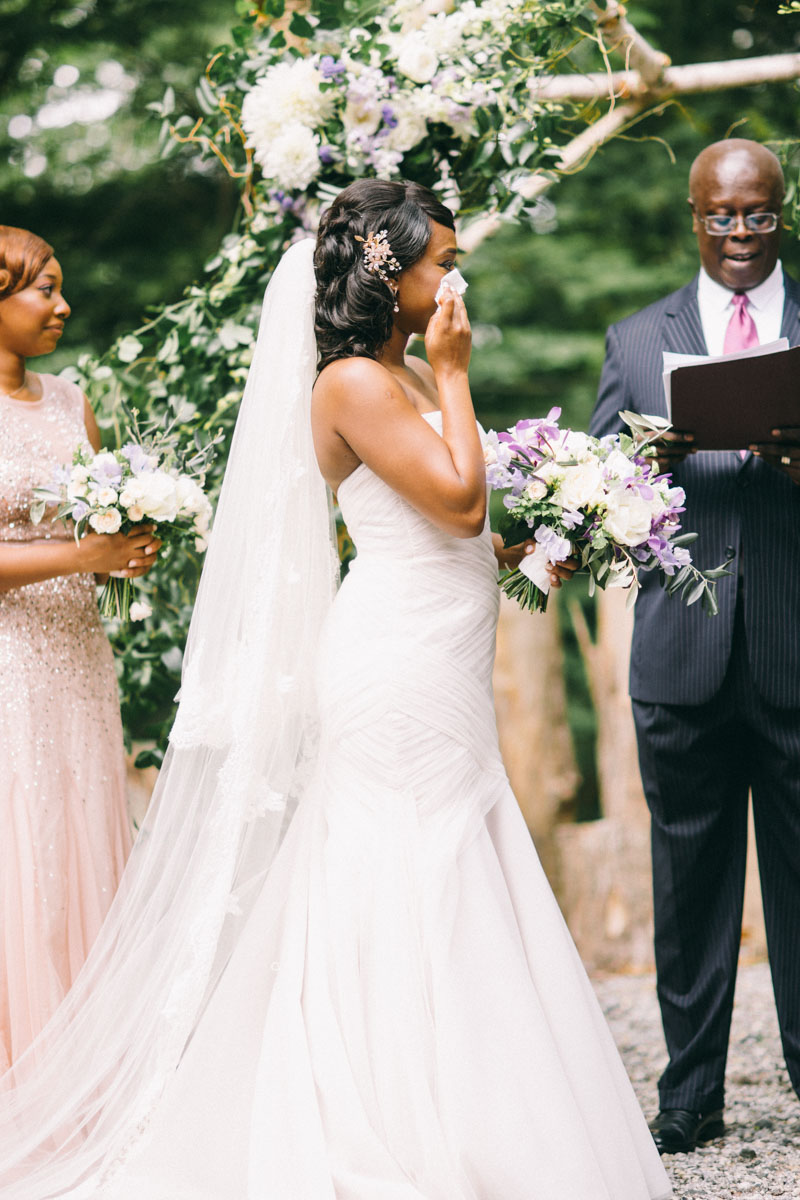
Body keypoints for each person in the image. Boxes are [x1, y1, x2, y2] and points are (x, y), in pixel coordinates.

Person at [0, 184, 671, 1200]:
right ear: (383, 273)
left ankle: (472, 1103)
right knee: (405, 862)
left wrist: (528, 548)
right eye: (439, 261)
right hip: (392, 663)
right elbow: (449, 500)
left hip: (438, 652)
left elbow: (453, 523)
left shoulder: (399, 372)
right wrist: (455, 376)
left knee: (454, 855)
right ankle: (389, 1111)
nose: (455, 278)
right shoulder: (353, 382)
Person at [590, 139, 800, 1155]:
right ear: (691, 218)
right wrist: (639, 461)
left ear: (780, 213)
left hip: (794, 650)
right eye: (717, 217)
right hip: (682, 658)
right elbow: (584, 506)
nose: (735, 235)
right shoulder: (635, 340)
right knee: (688, 886)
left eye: (754, 215)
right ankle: (688, 1098)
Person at [0, 226, 161, 1071]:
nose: (63, 306)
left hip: (79, 654)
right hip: (9, 663)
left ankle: (89, 1069)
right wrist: (83, 555)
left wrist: (131, 545)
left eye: (61, 288)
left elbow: (98, 518)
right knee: (20, 847)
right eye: (43, 291)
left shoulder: (69, 401)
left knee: (84, 831)